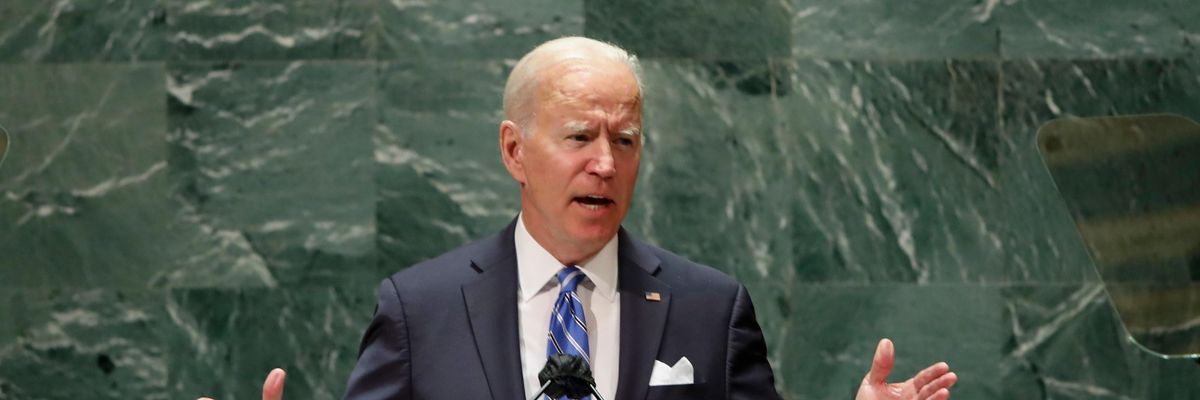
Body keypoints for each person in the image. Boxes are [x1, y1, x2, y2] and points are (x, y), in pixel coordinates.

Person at [200, 36, 958, 400]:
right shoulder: (419, 309)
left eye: (624, 140)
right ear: (514, 150)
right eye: (578, 137)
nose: (605, 162)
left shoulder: (708, 308)